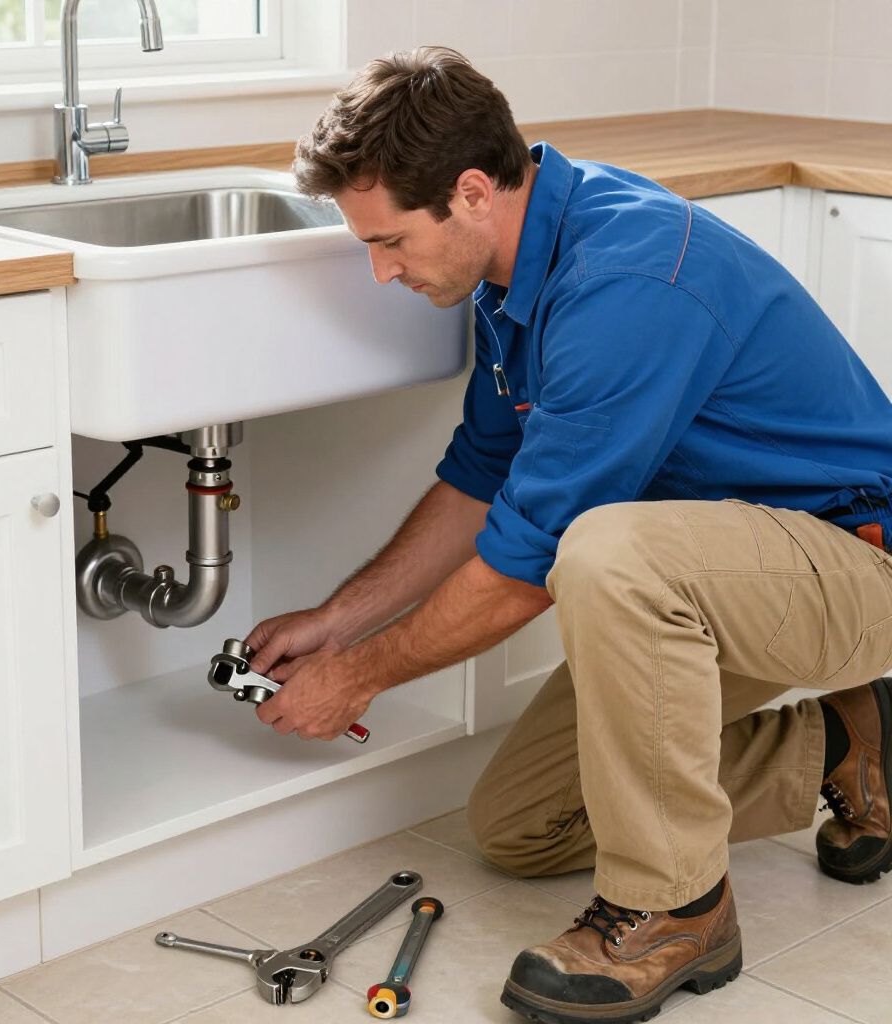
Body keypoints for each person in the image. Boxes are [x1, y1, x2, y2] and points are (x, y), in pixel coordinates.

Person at [243, 46, 892, 1023]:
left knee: (601, 552)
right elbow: (479, 476)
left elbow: (523, 568)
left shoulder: (628, 279)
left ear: (469, 192)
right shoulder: (517, 273)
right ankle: (851, 736)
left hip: (856, 558)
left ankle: (675, 907)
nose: (380, 273)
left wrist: (362, 675)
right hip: (729, 568)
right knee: (518, 823)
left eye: (390, 241)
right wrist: (340, 621)